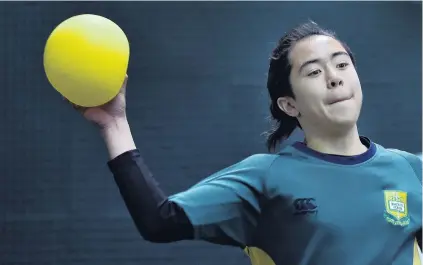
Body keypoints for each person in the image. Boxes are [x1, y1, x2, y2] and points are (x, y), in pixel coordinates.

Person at [68, 21, 422, 265]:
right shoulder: (265, 178)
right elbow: (160, 221)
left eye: (342, 65)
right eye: (313, 72)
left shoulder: (411, 170)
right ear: (289, 104)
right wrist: (113, 123)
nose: (334, 78)